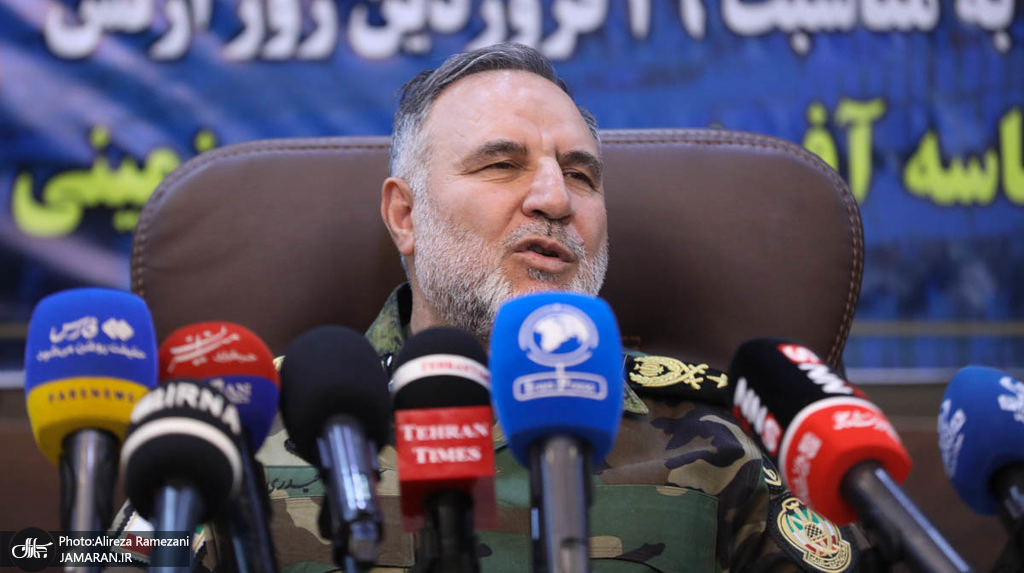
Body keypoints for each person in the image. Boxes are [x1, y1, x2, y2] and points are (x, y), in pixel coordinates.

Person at [116, 42, 871, 571]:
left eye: (582, 175)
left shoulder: (717, 439)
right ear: (405, 215)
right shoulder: (242, 429)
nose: (554, 200)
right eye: (502, 164)